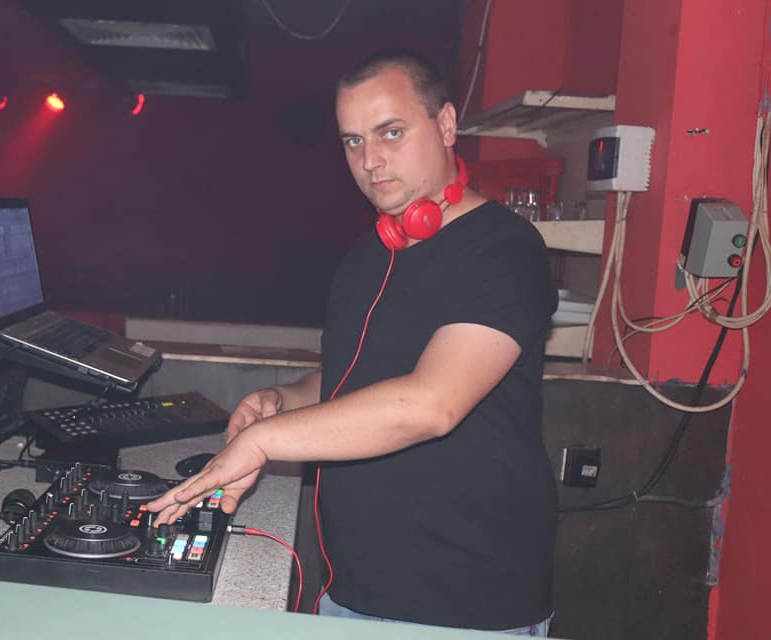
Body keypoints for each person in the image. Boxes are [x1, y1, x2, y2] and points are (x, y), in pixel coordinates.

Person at [148, 48, 558, 635]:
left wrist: (265, 441)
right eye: (353, 141)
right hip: (353, 591)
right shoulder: (367, 258)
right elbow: (351, 378)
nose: (370, 160)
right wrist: (285, 400)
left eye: (391, 132)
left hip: (466, 604)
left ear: (446, 124)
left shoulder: (504, 250)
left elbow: (431, 404)